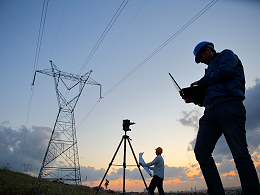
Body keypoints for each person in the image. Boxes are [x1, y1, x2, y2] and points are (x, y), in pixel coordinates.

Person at [181, 41, 260, 195]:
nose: (201, 61)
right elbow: (206, 97)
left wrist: (201, 82)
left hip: (229, 105)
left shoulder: (226, 55)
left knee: (239, 154)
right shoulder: (208, 72)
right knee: (201, 152)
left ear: (208, 50)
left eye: (201, 57)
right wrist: (193, 98)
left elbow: (225, 72)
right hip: (210, 111)